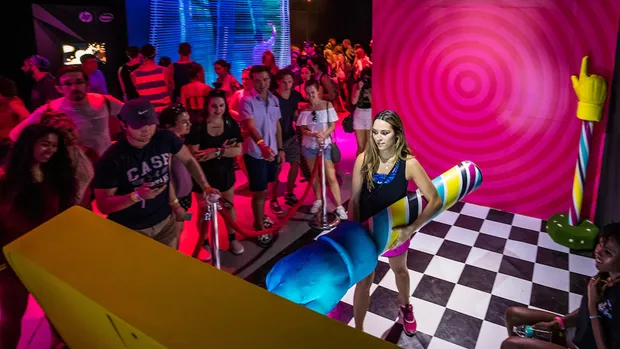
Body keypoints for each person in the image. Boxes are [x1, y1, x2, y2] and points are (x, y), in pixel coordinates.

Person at [349, 110, 442, 337]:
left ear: (397, 135)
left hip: (395, 231)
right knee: (364, 282)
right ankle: (358, 330)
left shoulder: (408, 164)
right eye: (374, 132)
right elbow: (354, 199)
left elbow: (435, 200)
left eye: (385, 133)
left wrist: (411, 228)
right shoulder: (363, 159)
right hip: (366, 232)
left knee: (400, 270)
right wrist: (352, 232)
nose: (378, 138)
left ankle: (406, 308)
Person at [93, 98, 218, 249]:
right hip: (133, 228)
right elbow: (104, 205)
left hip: (165, 220)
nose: (147, 129)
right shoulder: (112, 159)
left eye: (150, 123)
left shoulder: (164, 138)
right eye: (139, 125)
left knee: (170, 264)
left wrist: (205, 186)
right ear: (123, 124)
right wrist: (135, 196)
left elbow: (189, 160)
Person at [0, 124, 77, 349]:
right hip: (12, 261)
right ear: (28, 145)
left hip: (48, 257)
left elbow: (63, 215)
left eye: (54, 146)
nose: (51, 150)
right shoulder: (7, 180)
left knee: (58, 314)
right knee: (11, 320)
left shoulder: (56, 176)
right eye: (45, 144)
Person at [501, 223, 620, 349]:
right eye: (600, 244)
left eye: (607, 252)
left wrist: (592, 307)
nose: (598, 252)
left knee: (510, 345)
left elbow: (592, 310)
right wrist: (558, 323)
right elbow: (585, 311)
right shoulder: (605, 274)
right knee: (512, 314)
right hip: (577, 333)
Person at [10, 65, 123, 157]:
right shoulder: (51, 109)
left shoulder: (104, 101)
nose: (74, 88)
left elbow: (133, 114)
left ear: (87, 84)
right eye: (68, 84)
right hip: (72, 168)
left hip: (106, 163)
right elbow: (16, 134)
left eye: (79, 82)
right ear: (59, 88)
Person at [186, 90, 245, 255]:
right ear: (207, 106)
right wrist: (224, 150)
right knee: (204, 212)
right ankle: (204, 241)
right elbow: (195, 155)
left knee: (228, 206)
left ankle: (233, 238)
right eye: (214, 106)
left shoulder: (230, 124)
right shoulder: (198, 125)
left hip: (225, 173)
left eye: (221, 105)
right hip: (202, 177)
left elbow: (238, 150)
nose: (218, 109)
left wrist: (216, 152)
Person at [238, 65, 285, 247]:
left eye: (265, 80)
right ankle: (258, 226)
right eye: (257, 80)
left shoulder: (273, 99)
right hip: (256, 153)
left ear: (270, 80)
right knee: (259, 192)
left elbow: (277, 126)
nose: (262, 84)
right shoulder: (247, 100)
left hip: (272, 151)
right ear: (251, 81)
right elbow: (250, 126)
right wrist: (262, 145)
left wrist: (280, 149)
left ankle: (262, 216)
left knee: (268, 187)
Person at [297, 80, 347, 219]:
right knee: (314, 175)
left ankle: (339, 206)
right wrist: (312, 134)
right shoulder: (305, 109)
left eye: (312, 92)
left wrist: (324, 134)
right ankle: (318, 199)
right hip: (309, 145)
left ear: (318, 91)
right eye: (307, 93)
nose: (310, 95)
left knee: (331, 175)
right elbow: (302, 129)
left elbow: (332, 125)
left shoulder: (327, 105)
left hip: (325, 144)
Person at [40, 110, 97, 208]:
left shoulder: (90, 154)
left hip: (85, 208)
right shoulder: (48, 160)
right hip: (59, 212)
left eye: (70, 130)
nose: (68, 135)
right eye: (61, 133)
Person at [159, 105, 194, 241]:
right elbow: (165, 175)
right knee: (174, 234)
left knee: (180, 228)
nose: (189, 124)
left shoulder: (179, 140)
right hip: (174, 198)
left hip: (183, 194)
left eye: (188, 120)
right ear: (169, 126)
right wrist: (174, 203)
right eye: (184, 122)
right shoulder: (166, 146)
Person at [271, 69, 302, 213]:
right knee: (277, 168)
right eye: (284, 81)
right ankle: (273, 198)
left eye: (290, 81)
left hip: (290, 134)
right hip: (274, 137)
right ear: (278, 81)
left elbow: (296, 114)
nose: (287, 84)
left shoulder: (295, 95)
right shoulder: (272, 97)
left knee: (295, 163)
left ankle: (289, 192)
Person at [131, 44, 173, 114]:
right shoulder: (165, 71)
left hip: (147, 112)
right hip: (164, 111)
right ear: (154, 54)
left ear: (141, 55)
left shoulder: (134, 74)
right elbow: (170, 89)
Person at [351, 67, 373, 156]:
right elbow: (353, 102)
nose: (366, 81)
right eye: (365, 79)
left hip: (370, 116)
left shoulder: (374, 86)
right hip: (358, 116)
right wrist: (359, 89)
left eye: (369, 79)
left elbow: (375, 104)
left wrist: (369, 94)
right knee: (361, 147)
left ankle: (368, 167)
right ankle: (359, 167)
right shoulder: (356, 86)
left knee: (369, 146)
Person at [0, 77, 29, 141]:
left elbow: (26, 119)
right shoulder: (2, 104)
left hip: (8, 143)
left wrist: (15, 136)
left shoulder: (13, 103)